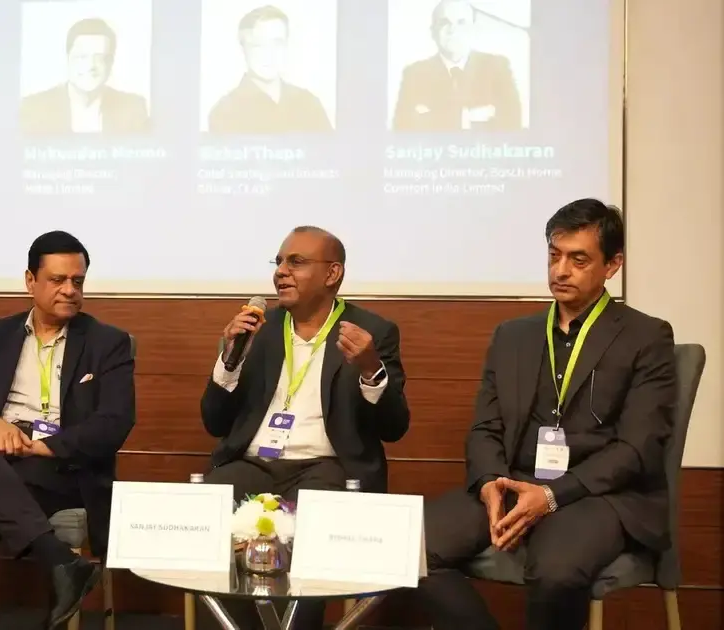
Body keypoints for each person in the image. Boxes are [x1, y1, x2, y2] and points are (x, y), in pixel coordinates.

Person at [415, 200, 676, 630]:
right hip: (514, 482)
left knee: (556, 572)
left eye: (578, 260)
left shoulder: (646, 336)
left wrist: (553, 495)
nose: (561, 270)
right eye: (555, 256)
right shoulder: (513, 335)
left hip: (598, 495)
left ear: (613, 265)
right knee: (408, 547)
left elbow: (637, 448)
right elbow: (485, 427)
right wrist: (489, 483)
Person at [199, 226, 409, 629]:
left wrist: (371, 369)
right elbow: (215, 422)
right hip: (254, 462)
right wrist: (229, 361)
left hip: (327, 467)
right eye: (278, 262)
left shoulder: (371, 331)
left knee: (313, 530)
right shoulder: (258, 329)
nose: (281, 271)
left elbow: (394, 427)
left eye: (296, 262)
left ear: (332, 274)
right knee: (204, 512)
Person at [0, 231, 135, 630]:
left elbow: (114, 424)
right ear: (30, 281)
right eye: (58, 280)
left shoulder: (108, 343)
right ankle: (59, 560)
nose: (70, 290)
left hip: (61, 467)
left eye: (77, 281)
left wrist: (39, 448)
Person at [392, 0, 522, 132]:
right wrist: (468, 116)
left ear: (473, 30)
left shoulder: (497, 68)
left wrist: (432, 117)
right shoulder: (415, 75)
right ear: (433, 32)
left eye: (461, 22)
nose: (452, 30)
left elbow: (513, 125)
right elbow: (401, 129)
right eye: (444, 23)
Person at [206, 5, 333, 134]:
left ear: (286, 46)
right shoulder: (225, 113)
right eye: (258, 45)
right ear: (243, 49)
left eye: (277, 43)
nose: (269, 54)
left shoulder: (309, 104)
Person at [20, 18, 150, 135]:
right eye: (82, 57)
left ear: (110, 63)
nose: (90, 66)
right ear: (67, 59)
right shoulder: (34, 109)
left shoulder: (133, 108)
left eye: (99, 57)